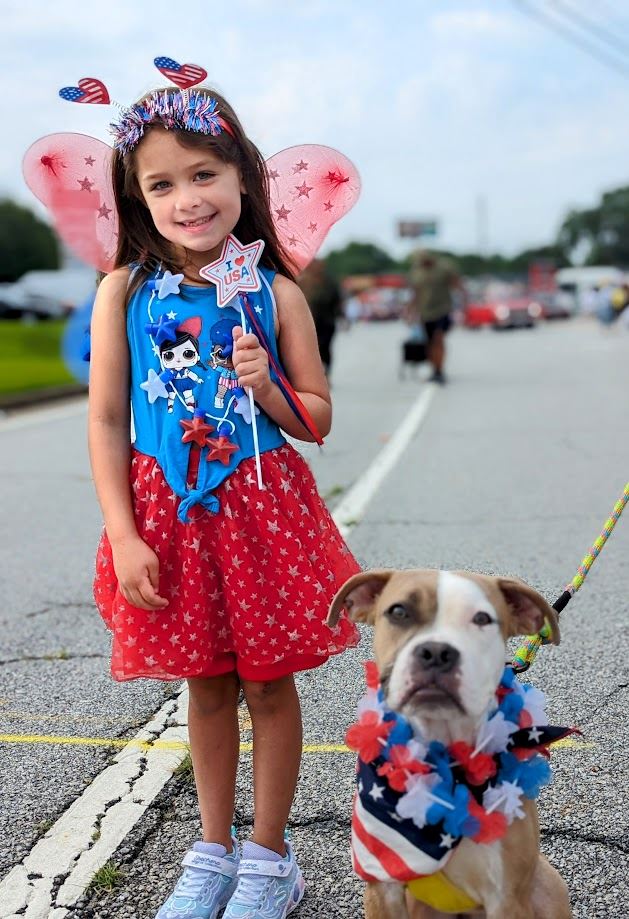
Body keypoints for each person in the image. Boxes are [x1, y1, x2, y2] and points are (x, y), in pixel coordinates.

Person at [88, 83, 361, 919]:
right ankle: (213, 851)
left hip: (261, 511)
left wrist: (266, 384)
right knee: (205, 685)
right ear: (138, 197)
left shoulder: (275, 294)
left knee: (269, 686)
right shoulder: (123, 292)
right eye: (162, 184)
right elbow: (107, 418)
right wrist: (123, 533)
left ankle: (269, 859)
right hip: (167, 513)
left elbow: (315, 417)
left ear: (243, 175)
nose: (187, 198)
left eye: (203, 174)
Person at [407, 249, 460, 384]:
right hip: (425, 313)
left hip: (443, 309)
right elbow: (415, 293)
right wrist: (410, 311)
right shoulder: (416, 272)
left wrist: (462, 305)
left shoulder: (444, 268)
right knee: (429, 343)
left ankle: (439, 370)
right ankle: (434, 370)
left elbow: (456, 284)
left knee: (438, 339)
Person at [296, 258, 342, 375]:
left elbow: (336, 301)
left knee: (325, 348)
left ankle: (325, 373)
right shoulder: (303, 281)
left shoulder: (329, 282)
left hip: (326, 323)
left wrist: (339, 315)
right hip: (307, 323)